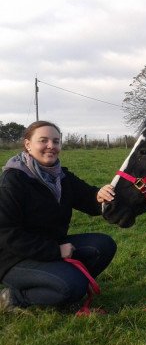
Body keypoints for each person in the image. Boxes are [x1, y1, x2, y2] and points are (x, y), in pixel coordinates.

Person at [0, 121, 116, 312]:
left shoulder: (61, 177)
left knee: (104, 245)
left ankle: (60, 284)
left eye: (56, 141)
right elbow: (6, 235)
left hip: (52, 246)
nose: (51, 146)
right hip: (14, 258)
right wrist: (55, 250)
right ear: (28, 144)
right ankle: (13, 297)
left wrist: (101, 194)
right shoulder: (13, 181)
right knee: (71, 286)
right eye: (43, 140)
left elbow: (89, 198)